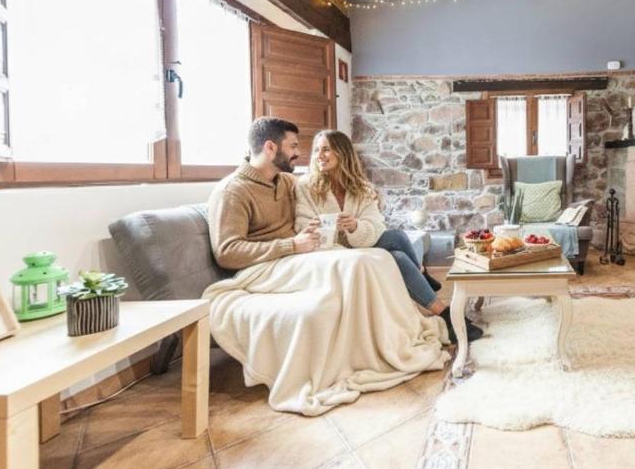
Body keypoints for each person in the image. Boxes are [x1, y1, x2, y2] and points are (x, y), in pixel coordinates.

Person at [295, 129, 483, 343]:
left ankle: (431, 291)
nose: (319, 155)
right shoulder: (306, 186)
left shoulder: (361, 188)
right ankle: (443, 310)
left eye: (326, 150)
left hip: (358, 243)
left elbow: (376, 224)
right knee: (399, 256)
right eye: (317, 150)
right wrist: (320, 227)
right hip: (331, 250)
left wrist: (355, 226)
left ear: (342, 153)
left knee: (396, 236)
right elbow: (301, 223)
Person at [207, 117, 323, 270]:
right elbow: (227, 253)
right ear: (270, 147)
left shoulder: (287, 181)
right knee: (346, 265)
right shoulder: (232, 191)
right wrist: (291, 245)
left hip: (296, 260)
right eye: (293, 146)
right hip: (262, 268)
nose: (298, 152)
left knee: (350, 259)